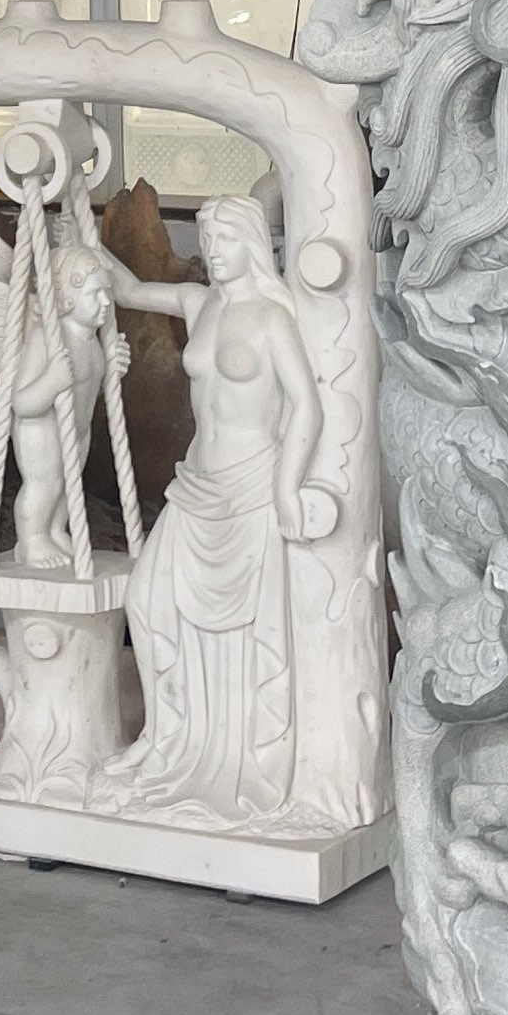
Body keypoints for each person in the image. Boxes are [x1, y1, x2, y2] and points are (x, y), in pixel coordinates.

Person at [99, 198, 359, 832]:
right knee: (149, 602)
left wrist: (288, 488)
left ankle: (241, 758)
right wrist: (79, 232)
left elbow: (306, 406)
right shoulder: (199, 305)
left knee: (251, 629)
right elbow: (127, 290)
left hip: (252, 486)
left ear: (252, 243)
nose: (213, 250)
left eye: (225, 238)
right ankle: (164, 738)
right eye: (206, 238)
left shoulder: (272, 317)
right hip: (199, 484)